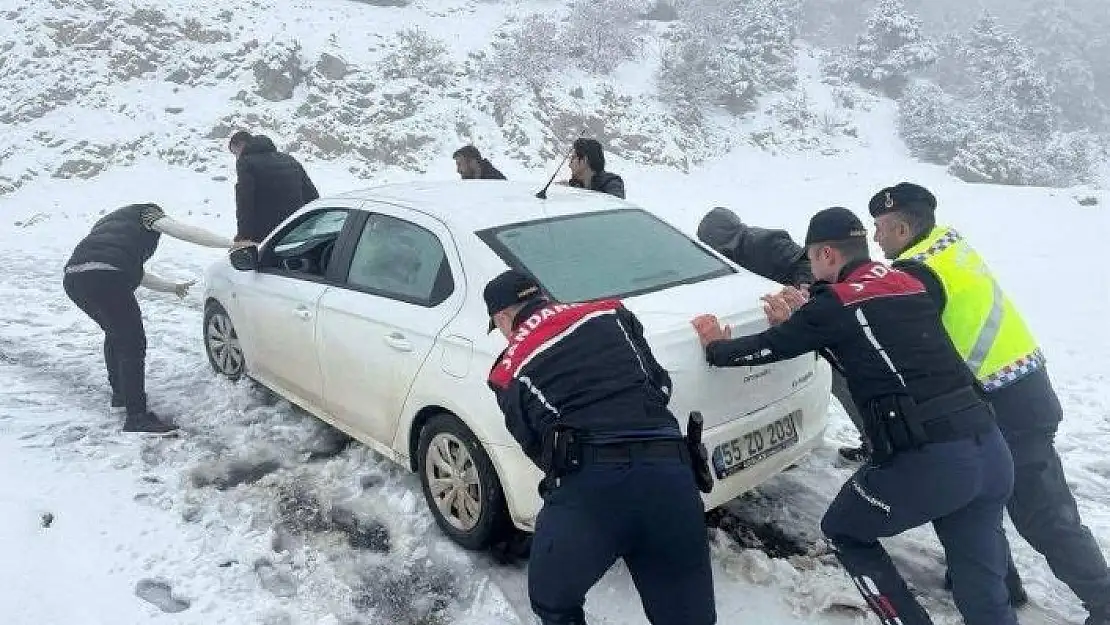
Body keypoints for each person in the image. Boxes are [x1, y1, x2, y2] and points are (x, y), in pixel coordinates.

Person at [692, 207, 1017, 625]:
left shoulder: (837, 302)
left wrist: (717, 346)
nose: (809, 267)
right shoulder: (905, 282)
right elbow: (873, 351)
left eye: (811, 257)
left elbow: (766, 347)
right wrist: (807, 323)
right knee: (981, 582)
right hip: (989, 449)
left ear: (827, 254)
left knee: (845, 531)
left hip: (934, 461)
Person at [870, 182, 1110, 625]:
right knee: (978, 498)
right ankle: (999, 584)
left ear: (901, 228)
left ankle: (1105, 600)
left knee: (1043, 516)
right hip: (1016, 391)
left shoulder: (920, 274)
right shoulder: (949, 249)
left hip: (1010, 403)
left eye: (880, 229)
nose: (875, 239)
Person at [484, 269, 715, 625]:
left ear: (502, 316)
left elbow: (539, 449)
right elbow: (660, 386)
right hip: (670, 473)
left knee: (552, 599)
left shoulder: (506, 371)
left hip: (591, 490)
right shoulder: (609, 312)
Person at [696, 206, 871, 462]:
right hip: (791, 319)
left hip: (812, 318)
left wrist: (802, 290)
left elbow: (803, 263)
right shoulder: (723, 256)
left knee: (843, 379)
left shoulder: (767, 242)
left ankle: (872, 440)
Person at [63, 203, 231, 434]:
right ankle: (137, 417)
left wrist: (172, 287)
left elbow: (132, 271)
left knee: (116, 333)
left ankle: (121, 395)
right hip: (107, 277)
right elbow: (182, 231)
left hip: (74, 280)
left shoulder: (105, 227)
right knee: (132, 342)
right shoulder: (147, 213)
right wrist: (231, 244)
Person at [228, 130, 319, 244]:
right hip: (297, 231)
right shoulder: (289, 159)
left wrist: (243, 236)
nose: (236, 157)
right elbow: (312, 195)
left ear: (241, 145)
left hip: (268, 237)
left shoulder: (246, 162)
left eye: (235, 153)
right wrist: (311, 228)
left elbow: (245, 201)